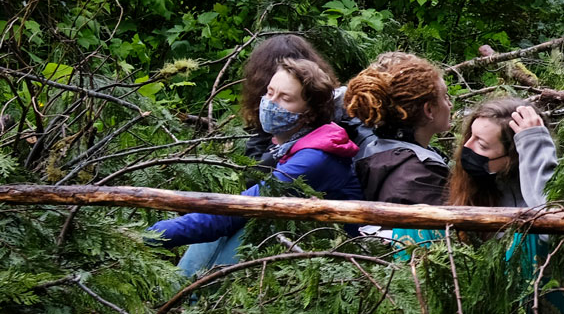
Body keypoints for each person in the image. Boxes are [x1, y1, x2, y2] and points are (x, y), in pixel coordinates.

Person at [147, 55, 363, 251]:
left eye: (285, 99)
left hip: (341, 257)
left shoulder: (314, 159)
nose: (270, 103)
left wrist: (150, 235)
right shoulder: (296, 143)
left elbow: (237, 210)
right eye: (270, 92)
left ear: (309, 114)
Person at [342, 52, 454, 205]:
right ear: (429, 110)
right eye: (445, 96)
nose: (450, 104)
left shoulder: (378, 151)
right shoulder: (420, 177)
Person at [447, 98, 558, 209]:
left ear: (512, 158)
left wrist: (534, 144)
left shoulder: (540, 195)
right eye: (471, 135)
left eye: (482, 145)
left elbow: (552, 213)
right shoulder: (474, 186)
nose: (467, 145)